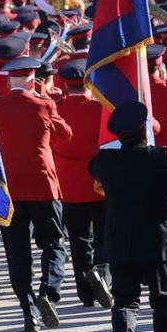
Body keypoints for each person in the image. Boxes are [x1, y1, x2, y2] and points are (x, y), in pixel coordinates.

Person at [89, 101, 167, 332]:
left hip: (122, 242)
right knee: (164, 302)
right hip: (159, 240)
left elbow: (92, 168)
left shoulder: (106, 161)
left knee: (125, 302)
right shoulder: (161, 157)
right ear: (145, 130)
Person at [0, 56, 72, 332]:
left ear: (8, 80)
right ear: (33, 79)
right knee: (53, 243)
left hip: (9, 188)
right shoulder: (44, 104)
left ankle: (28, 311)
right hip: (42, 183)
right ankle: (47, 292)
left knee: (17, 251)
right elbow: (66, 135)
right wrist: (46, 101)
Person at [51, 61, 111, 309]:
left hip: (68, 186)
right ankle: (102, 276)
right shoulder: (100, 108)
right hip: (99, 182)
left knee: (77, 240)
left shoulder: (54, 108)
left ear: (65, 84)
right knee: (104, 236)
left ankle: (86, 292)